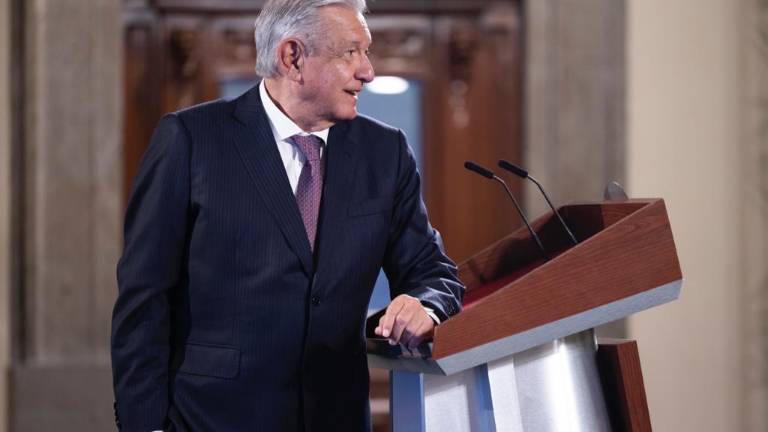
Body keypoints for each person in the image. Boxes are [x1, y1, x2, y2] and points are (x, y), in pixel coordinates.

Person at [110, 0, 464, 430]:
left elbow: (433, 272)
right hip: (210, 419)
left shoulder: (385, 152)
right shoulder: (190, 140)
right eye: (350, 53)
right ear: (292, 57)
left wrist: (425, 305)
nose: (368, 71)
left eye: (366, 52)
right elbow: (143, 300)